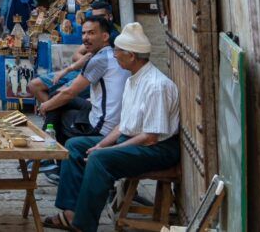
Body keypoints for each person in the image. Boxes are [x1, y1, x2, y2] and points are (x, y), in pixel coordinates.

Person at [47, 23, 180, 232]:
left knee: (100, 160)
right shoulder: (132, 80)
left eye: (118, 51)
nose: (114, 55)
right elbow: (123, 124)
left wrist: (107, 150)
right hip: (135, 139)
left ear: (132, 56)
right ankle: (70, 213)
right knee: (75, 146)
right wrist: (100, 144)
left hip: (157, 149)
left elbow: (150, 137)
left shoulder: (156, 85)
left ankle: (84, 225)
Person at [37, 17, 130, 180]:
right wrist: (64, 76)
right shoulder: (110, 54)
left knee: (59, 109)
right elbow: (78, 68)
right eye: (84, 33)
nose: (85, 37)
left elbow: (70, 92)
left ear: (105, 36)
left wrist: (44, 106)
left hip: (103, 125)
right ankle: (50, 158)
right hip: (110, 113)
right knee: (57, 98)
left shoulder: (99, 59)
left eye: (91, 33)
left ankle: (55, 160)